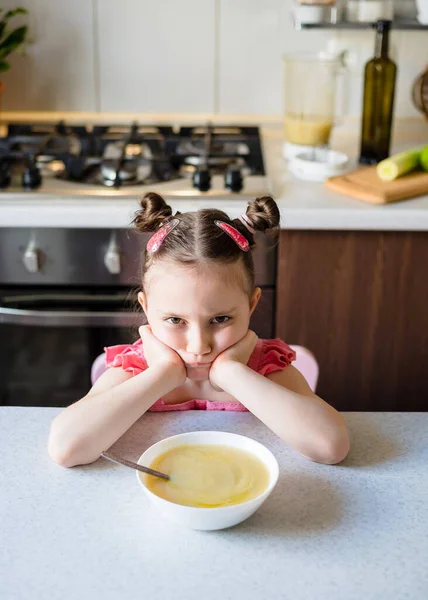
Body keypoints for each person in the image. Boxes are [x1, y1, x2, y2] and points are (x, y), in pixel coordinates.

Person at [48, 192, 350, 468]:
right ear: (146, 307)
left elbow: (331, 446)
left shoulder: (265, 367)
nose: (198, 346)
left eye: (219, 319)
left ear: (251, 304)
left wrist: (231, 373)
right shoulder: (136, 368)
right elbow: (66, 449)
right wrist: (163, 373)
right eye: (175, 320)